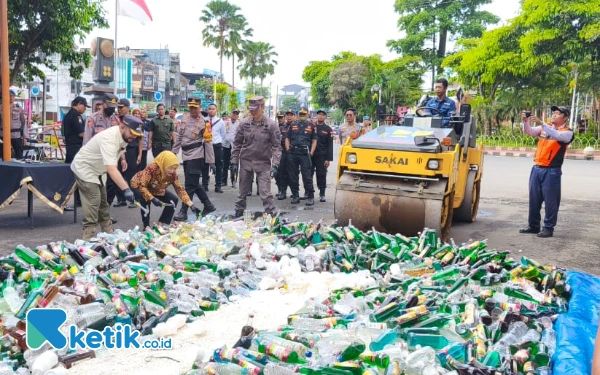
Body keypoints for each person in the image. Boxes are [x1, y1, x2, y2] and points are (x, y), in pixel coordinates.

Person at [71, 115, 143, 240]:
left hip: (98, 170)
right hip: (85, 168)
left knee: (103, 203)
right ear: (122, 127)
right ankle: (89, 237)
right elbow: (111, 169)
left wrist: (123, 160)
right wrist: (126, 189)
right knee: (94, 201)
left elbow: (118, 152)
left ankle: (108, 234)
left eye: (137, 134)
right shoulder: (109, 138)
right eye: (132, 133)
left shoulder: (125, 136)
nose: (134, 137)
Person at [519, 106, 574, 238]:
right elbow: (530, 132)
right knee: (534, 200)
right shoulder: (545, 127)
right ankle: (533, 226)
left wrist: (542, 123)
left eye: (558, 113)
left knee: (551, 201)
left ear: (565, 118)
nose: (554, 115)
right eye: (553, 112)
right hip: (537, 168)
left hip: (552, 171)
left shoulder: (568, 132)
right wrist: (525, 121)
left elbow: (557, 135)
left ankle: (548, 228)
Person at [231, 96, 281, 217]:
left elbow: (276, 146)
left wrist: (275, 164)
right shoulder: (244, 123)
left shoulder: (271, 125)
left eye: (255, 109)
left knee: (265, 192)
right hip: (246, 161)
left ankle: (270, 216)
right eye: (251, 109)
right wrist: (234, 161)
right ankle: (238, 214)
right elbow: (237, 143)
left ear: (262, 107)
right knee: (242, 192)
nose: (252, 111)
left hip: (263, 163)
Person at [130, 151, 202, 228]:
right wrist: (152, 199)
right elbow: (142, 186)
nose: (172, 171)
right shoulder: (152, 168)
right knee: (145, 200)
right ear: (164, 164)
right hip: (139, 186)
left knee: (173, 200)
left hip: (155, 187)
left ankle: (160, 224)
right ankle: (146, 227)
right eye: (170, 168)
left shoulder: (173, 174)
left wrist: (191, 204)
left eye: (175, 168)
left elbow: (179, 189)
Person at [172, 97, 217, 221]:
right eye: (190, 107)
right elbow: (179, 137)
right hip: (186, 155)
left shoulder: (204, 123)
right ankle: (208, 205)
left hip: (196, 156)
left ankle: (184, 211)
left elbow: (208, 143)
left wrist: (211, 161)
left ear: (200, 107)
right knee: (194, 184)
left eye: (195, 107)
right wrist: (173, 153)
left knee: (189, 186)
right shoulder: (185, 118)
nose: (192, 109)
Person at [62, 96, 90, 211]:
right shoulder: (74, 115)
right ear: (78, 104)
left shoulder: (70, 115)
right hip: (75, 148)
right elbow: (81, 133)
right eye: (84, 106)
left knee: (78, 175)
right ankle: (63, 201)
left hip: (73, 148)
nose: (85, 109)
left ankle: (78, 200)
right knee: (71, 177)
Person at [286, 106, 317, 206]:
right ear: (298, 115)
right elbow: (287, 138)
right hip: (293, 153)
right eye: (301, 114)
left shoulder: (311, 126)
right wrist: (287, 149)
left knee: (307, 176)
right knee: (292, 176)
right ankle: (295, 195)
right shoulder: (293, 125)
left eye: (304, 114)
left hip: (305, 153)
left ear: (307, 114)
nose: (302, 116)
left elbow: (314, 140)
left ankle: (310, 197)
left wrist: (311, 152)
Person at [203, 103, 226, 193]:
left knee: (219, 166)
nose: (211, 110)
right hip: (206, 145)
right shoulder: (203, 120)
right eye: (209, 109)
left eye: (213, 109)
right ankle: (205, 185)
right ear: (207, 110)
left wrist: (220, 144)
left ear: (216, 110)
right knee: (205, 165)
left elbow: (223, 135)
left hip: (216, 145)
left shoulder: (220, 121)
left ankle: (218, 185)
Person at [312, 109, 334, 202]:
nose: (320, 116)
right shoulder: (311, 127)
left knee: (321, 175)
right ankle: (308, 192)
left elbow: (330, 145)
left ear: (325, 117)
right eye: (319, 114)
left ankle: (322, 193)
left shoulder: (328, 129)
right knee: (308, 174)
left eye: (323, 115)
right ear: (317, 116)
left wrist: (328, 159)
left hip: (322, 155)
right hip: (311, 154)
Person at [0, 89, 26, 159]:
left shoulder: (18, 108)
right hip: (3, 134)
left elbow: (23, 122)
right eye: (9, 96)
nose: (11, 98)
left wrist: (25, 136)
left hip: (15, 135)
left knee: (19, 155)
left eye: (13, 96)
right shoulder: (1, 108)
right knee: (3, 155)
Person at [275, 111, 291, 200]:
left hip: (287, 152)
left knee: (287, 173)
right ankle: (280, 189)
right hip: (278, 152)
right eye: (278, 118)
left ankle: (285, 191)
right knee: (277, 173)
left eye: (281, 117)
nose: (280, 119)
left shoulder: (288, 127)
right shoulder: (275, 127)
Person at [224, 109, 240, 188]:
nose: (235, 115)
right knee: (225, 164)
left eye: (236, 114)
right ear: (231, 114)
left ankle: (234, 181)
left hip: (235, 147)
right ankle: (224, 181)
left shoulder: (239, 124)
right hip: (226, 145)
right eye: (234, 113)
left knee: (235, 165)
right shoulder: (226, 122)